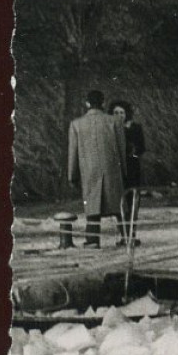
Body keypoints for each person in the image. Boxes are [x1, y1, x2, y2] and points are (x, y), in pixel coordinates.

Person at [67, 89, 127, 247]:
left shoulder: (76, 124)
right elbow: (122, 149)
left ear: (87, 103)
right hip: (112, 170)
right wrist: (124, 172)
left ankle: (93, 239)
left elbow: (73, 153)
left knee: (92, 206)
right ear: (103, 103)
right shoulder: (115, 121)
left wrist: (72, 175)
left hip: (89, 171)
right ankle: (126, 236)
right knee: (118, 205)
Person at [109, 99, 146, 236]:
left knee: (133, 201)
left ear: (127, 114)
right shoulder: (110, 128)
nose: (119, 115)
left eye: (122, 112)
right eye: (116, 112)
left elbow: (142, 148)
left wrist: (134, 154)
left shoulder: (135, 127)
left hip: (132, 168)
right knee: (120, 202)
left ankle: (131, 233)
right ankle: (122, 233)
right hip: (116, 169)